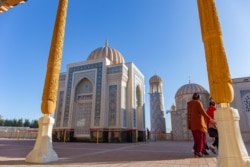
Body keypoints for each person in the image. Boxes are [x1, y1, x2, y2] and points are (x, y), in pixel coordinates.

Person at [187, 92, 214, 157]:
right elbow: (203, 112)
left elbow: (189, 115)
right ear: (198, 98)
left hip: (193, 125)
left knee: (196, 139)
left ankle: (198, 151)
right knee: (202, 138)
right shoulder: (198, 103)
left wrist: (189, 124)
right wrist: (210, 119)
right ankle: (199, 151)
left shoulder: (189, 104)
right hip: (200, 124)